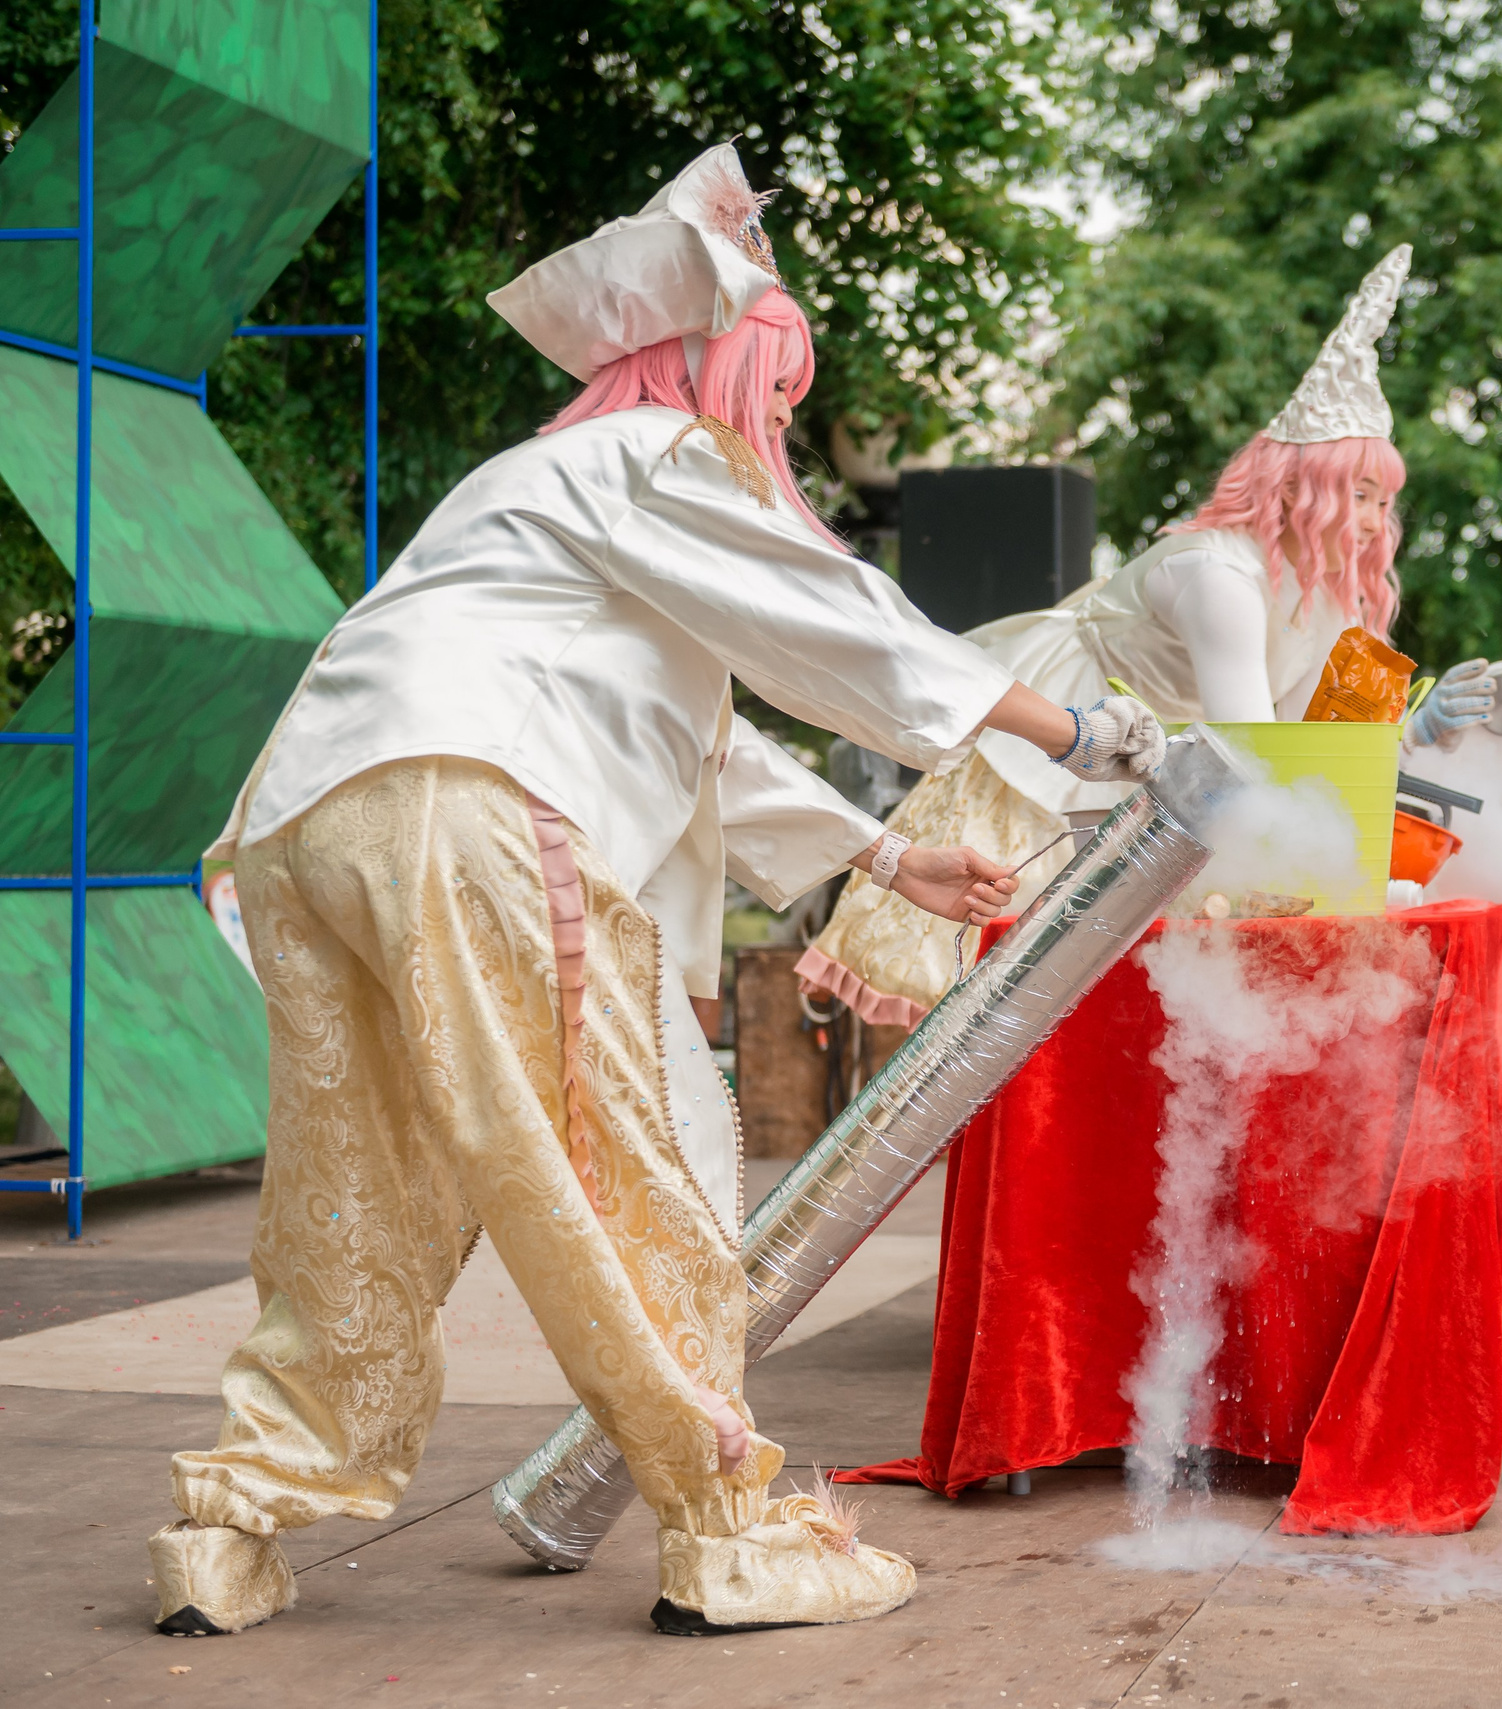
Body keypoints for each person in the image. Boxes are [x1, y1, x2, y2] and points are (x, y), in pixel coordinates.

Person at [144, 146, 1165, 1641]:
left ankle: (230, 1526)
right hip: (471, 808)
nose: (787, 431)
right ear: (728, 375)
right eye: (783, 392)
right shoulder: (660, 463)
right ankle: (727, 1526)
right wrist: (1080, 730)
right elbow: (837, 621)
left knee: (357, 1198)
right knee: (615, 1171)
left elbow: (697, 729)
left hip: (311, 823)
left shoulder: (531, 486)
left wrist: (884, 858)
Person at [795, 244, 1491, 1019]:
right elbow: (1254, 752)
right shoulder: (1219, 576)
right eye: (1358, 494)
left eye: (1381, 501)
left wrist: (1409, 731)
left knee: (1101, 1008)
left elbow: (1300, 743)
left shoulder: (1319, 599)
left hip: (1167, 772)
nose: (1373, 522)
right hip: (1063, 750)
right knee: (990, 996)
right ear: (1298, 487)